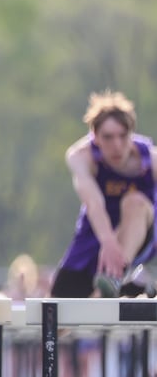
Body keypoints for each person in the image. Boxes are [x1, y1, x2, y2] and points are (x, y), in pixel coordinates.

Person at [51, 90, 157, 298]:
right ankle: (118, 286)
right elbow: (93, 201)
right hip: (97, 236)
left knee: (134, 201)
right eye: (108, 137)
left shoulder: (151, 161)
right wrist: (108, 242)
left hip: (142, 238)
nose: (116, 145)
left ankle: (117, 277)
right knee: (56, 321)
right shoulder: (82, 156)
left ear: (131, 133)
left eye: (122, 136)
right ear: (95, 137)